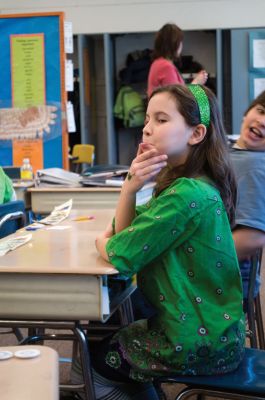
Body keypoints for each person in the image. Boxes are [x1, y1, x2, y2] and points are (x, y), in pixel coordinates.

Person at [93, 84, 245, 399]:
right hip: (216, 334)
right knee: (107, 333)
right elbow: (126, 236)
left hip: (192, 340)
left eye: (161, 120)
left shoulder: (187, 193)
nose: (147, 128)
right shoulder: (191, 185)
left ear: (196, 133)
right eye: (148, 118)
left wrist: (102, 241)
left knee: (94, 359)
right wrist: (130, 188)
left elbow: (119, 253)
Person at [230, 90, 265, 301]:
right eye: (260, 111)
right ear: (247, 112)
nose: (262, 121)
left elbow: (254, 237)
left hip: (223, 281)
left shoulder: (254, 167)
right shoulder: (237, 154)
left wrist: (196, 262)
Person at [147, 23, 208, 98]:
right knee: (204, 101)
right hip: (168, 109)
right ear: (174, 44)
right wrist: (196, 83)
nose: (181, 45)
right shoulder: (165, 66)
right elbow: (178, 98)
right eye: (180, 42)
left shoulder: (157, 63)